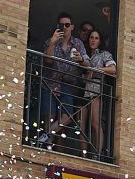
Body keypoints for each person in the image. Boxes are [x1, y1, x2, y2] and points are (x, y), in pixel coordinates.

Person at [37, 13, 86, 145]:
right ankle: (47, 147)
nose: (64, 27)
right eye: (61, 24)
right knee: (50, 117)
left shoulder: (78, 43)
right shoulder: (50, 41)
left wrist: (80, 59)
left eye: (67, 25)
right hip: (49, 83)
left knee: (68, 116)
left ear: (72, 27)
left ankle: (43, 138)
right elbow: (47, 60)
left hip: (67, 85)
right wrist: (53, 42)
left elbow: (87, 63)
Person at [74, 25, 117, 159]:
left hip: (95, 90)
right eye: (91, 38)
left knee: (95, 122)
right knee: (80, 124)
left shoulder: (104, 54)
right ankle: (84, 154)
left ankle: (98, 154)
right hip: (81, 90)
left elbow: (113, 69)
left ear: (100, 41)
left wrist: (97, 70)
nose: (93, 40)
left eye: (96, 38)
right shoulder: (84, 54)